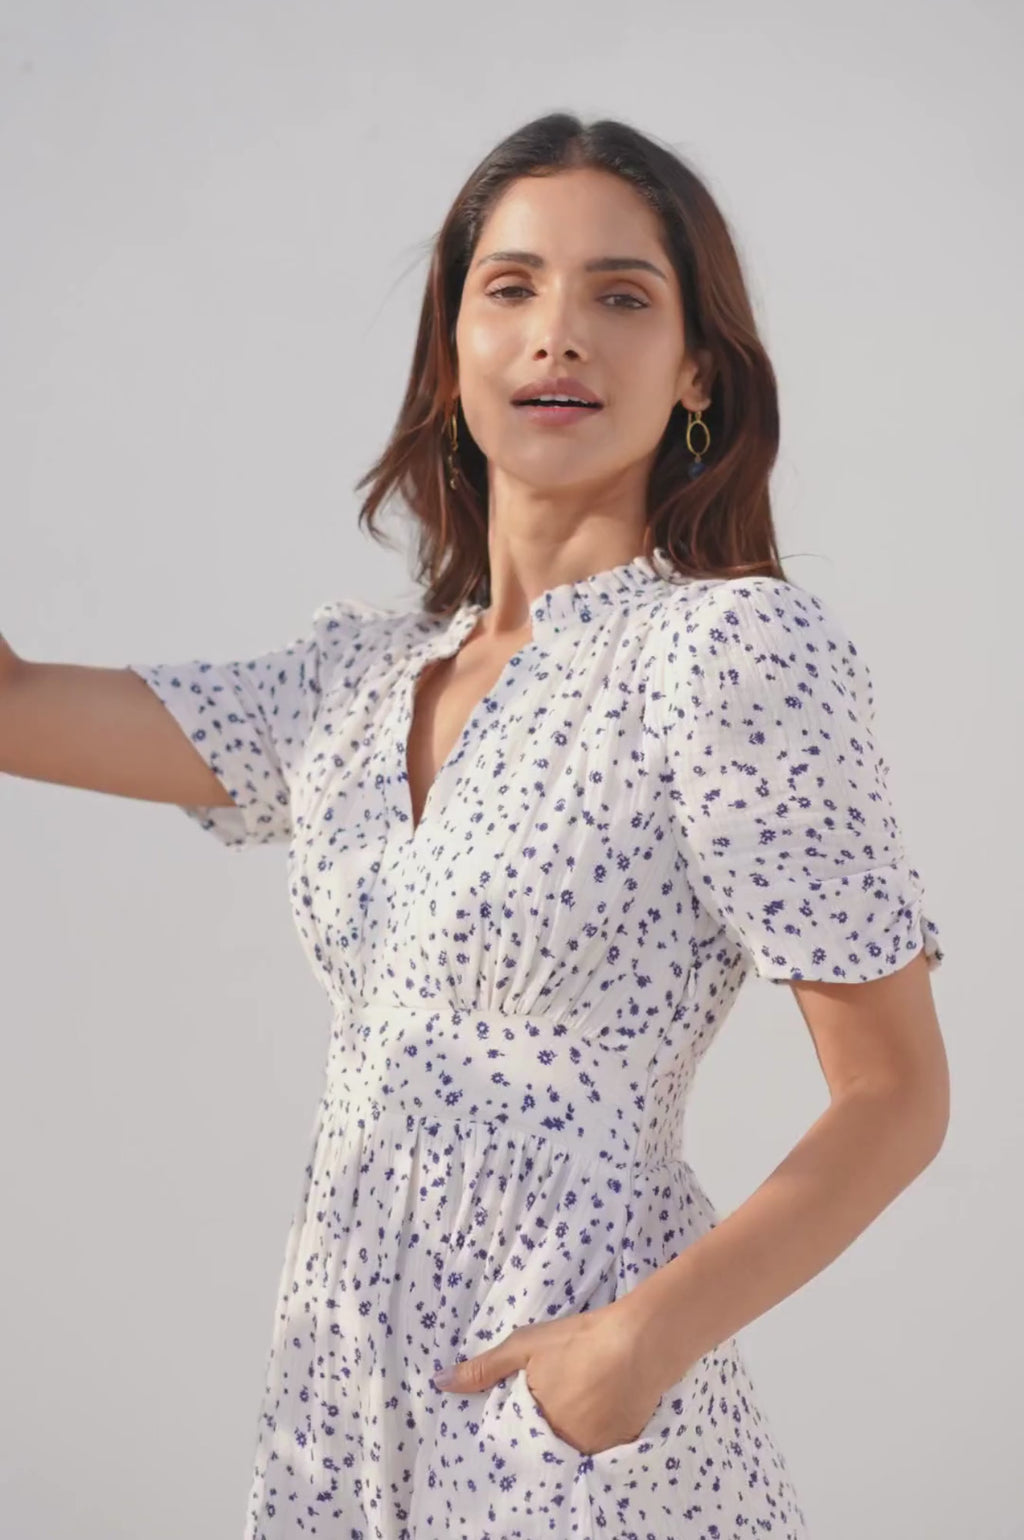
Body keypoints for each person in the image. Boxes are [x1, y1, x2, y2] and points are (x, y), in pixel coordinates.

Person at [0, 112, 948, 1540]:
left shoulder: (725, 654)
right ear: (453, 352)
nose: (559, 332)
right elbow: (14, 707)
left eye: (621, 296)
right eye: (511, 288)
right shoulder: (352, 684)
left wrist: (635, 1350)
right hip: (340, 1391)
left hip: (568, 1388)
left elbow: (895, 1096)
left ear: (696, 368)